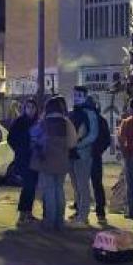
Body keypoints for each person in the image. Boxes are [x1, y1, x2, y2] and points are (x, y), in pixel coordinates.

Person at [32, 97, 77, 231]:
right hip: (62, 160)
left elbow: (34, 138)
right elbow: (72, 143)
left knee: (49, 190)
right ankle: (59, 221)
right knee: (59, 189)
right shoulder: (66, 122)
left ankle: (49, 222)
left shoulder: (43, 123)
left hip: (46, 160)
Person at [67, 86, 100, 226]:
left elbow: (93, 135)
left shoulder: (90, 113)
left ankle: (83, 216)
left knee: (82, 186)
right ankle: (79, 212)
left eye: (79, 95)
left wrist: (77, 144)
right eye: (75, 94)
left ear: (85, 96)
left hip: (83, 154)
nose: (76, 97)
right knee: (76, 186)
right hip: (72, 154)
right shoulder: (73, 112)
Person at [8, 99, 40, 223]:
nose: (31, 110)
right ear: (24, 109)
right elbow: (11, 139)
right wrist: (20, 148)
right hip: (24, 159)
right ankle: (23, 213)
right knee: (28, 186)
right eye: (28, 107)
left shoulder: (38, 122)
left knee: (32, 187)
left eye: (33, 107)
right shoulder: (19, 122)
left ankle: (28, 212)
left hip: (36, 158)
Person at [88, 98, 112, 224]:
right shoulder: (101, 120)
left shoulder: (86, 119)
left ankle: (82, 210)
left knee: (83, 185)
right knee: (97, 184)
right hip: (95, 156)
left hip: (86, 156)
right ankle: (100, 211)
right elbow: (107, 140)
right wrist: (99, 150)